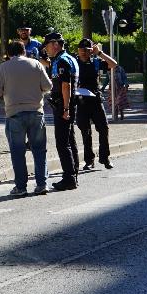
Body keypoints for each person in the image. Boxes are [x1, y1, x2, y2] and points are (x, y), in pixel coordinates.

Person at [0, 41, 53, 195]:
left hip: (14, 113)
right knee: (39, 150)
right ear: (24, 51)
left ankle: (20, 187)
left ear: (8, 54)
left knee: (17, 152)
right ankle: (42, 184)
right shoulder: (36, 64)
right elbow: (48, 86)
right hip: (36, 112)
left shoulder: (3, 68)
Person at [43, 31, 80, 190]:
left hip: (64, 105)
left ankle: (69, 178)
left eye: (47, 45)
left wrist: (65, 108)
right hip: (67, 104)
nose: (46, 49)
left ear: (55, 44)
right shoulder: (69, 58)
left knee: (62, 143)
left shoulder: (63, 61)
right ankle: (73, 174)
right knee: (70, 141)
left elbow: (66, 86)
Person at [74, 38, 117, 171]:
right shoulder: (74, 62)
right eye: (82, 50)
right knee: (85, 132)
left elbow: (113, 64)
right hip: (81, 101)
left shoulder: (96, 62)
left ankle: (105, 158)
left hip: (96, 101)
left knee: (103, 129)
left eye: (87, 50)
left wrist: (100, 53)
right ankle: (89, 160)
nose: (84, 53)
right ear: (78, 50)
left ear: (91, 51)